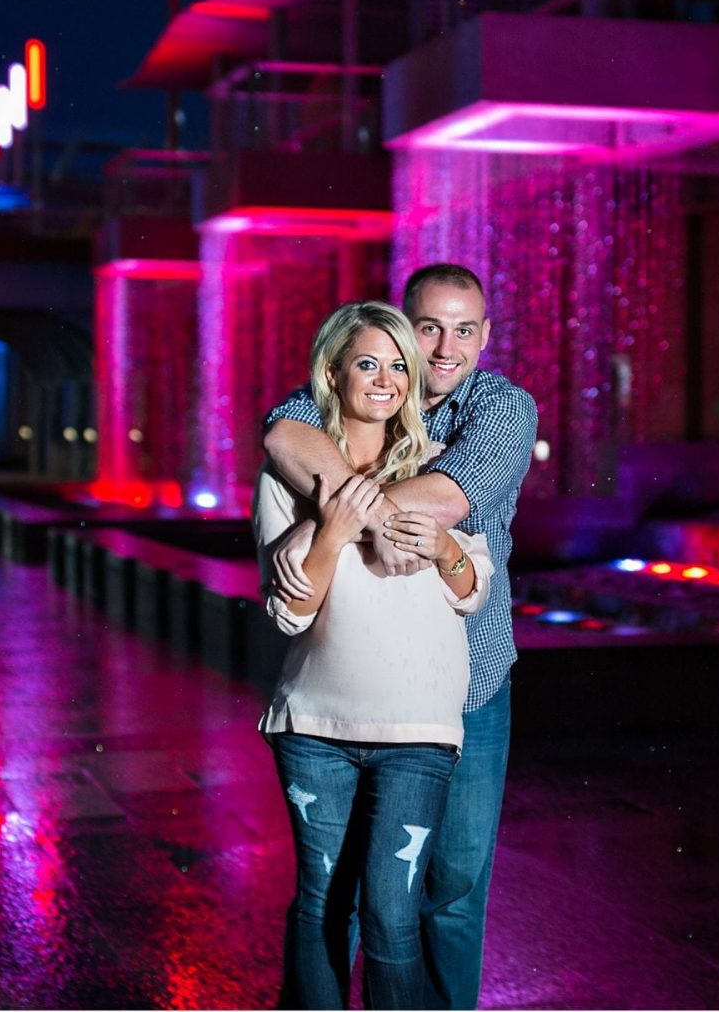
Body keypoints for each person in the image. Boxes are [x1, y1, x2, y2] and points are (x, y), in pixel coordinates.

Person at [263, 264, 537, 1009]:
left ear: (485, 336)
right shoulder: (359, 385)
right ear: (398, 324)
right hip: (349, 692)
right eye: (428, 326)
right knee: (345, 888)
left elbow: (448, 498)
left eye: (466, 328)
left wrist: (336, 513)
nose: (447, 347)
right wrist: (378, 525)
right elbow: (282, 432)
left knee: (451, 883)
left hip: (469, 684)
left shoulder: (503, 407)